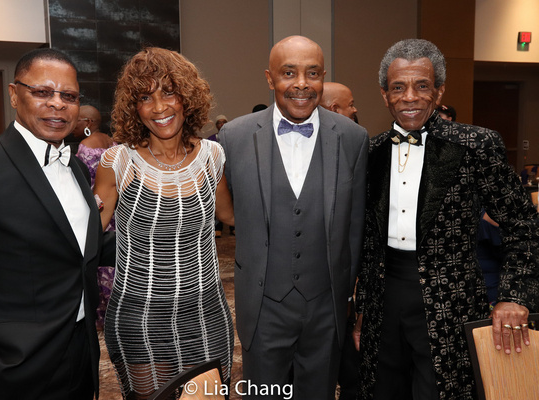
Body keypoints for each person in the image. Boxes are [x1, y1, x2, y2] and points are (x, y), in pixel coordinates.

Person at [353, 39, 539, 400]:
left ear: (439, 92)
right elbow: (366, 241)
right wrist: (362, 309)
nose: (409, 97)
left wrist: (514, 296)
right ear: (384, 95)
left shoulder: (476, 145)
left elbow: (524, 226)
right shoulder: (371, 152)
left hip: (449, 303)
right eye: (398, 87)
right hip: (383, 300)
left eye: (422, 86)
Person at [0, 48, 109, 399]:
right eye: (43, 92)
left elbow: (75, 250)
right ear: (15, 94)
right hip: (11, 369)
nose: (58, 104)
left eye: (69, 96)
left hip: (81, 354)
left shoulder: (75, 165)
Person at [219, 35, 369, 399]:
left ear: (323, 77)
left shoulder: (354, 138)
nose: (302, 84)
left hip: (325, 308)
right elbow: (221, 214)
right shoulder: (233, 137)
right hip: (263, 307)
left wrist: (349, 301)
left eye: (312, 73)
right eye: (289, 73)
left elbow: (355, 229)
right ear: (270, 79)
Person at [93, 47, 235, 400]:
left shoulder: (212, 156)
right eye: (145, 97)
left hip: (206, 312)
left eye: (169, 92)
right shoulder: (118, 162)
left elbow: (230, 216)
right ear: (133, 106)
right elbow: (86, 236)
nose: (159, 107)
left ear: (187, 97)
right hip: (140, 317)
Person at [319, 82, 361, 400]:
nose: (355, 109)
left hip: (348, 287)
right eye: (350, 104)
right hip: (311, 292)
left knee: (352, 369)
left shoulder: (358, 146)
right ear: (334, 110)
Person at [74, 105, 116, 330]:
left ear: (88, 122)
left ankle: (102, 315)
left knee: (98, 262)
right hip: (117, 213)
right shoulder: (113, 143)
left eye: (77, 121)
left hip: (98, 213)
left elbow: (84, 186)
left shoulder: (85, 148)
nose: (73, 126)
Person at [207, 114, 229, 237]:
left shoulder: (232, 136)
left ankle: (233, 227)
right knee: (217, 199)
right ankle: (217, 227)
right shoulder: (210, 139)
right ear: (216, 125)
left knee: (231, 198)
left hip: (230, 171)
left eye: (224, 122)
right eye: (219, 122)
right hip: (215, 172)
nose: (221, 124)